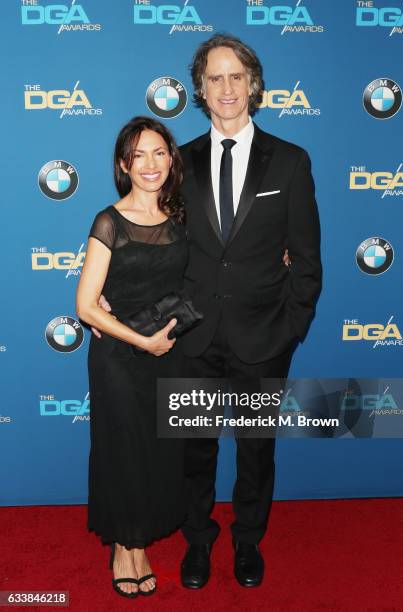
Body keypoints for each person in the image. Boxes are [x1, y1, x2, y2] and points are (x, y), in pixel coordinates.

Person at [178, 34, 322, 589]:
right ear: (201, 89)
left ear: (254, 84)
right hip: (192, 336)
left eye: (236, 76)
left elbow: (307, 259)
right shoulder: (179, 160)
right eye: (215, 78)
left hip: (264, 336)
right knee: (194, 449)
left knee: (256, 452)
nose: (227, 87)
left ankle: (246, 541)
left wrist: (291, 329)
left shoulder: (289, 161)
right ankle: (197, 541)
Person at [76, 116, 188, 598]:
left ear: (171, 159)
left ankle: (140, 540)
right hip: (121, 359)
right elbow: (84, 306)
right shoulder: (109, 220)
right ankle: (125, 547)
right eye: (138, 155)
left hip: (168, 358)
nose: (150, 164)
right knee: (123, 453)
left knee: (155, 455)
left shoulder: (181, 217)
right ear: (124, 164)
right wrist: (140, 341)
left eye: (159, 152)